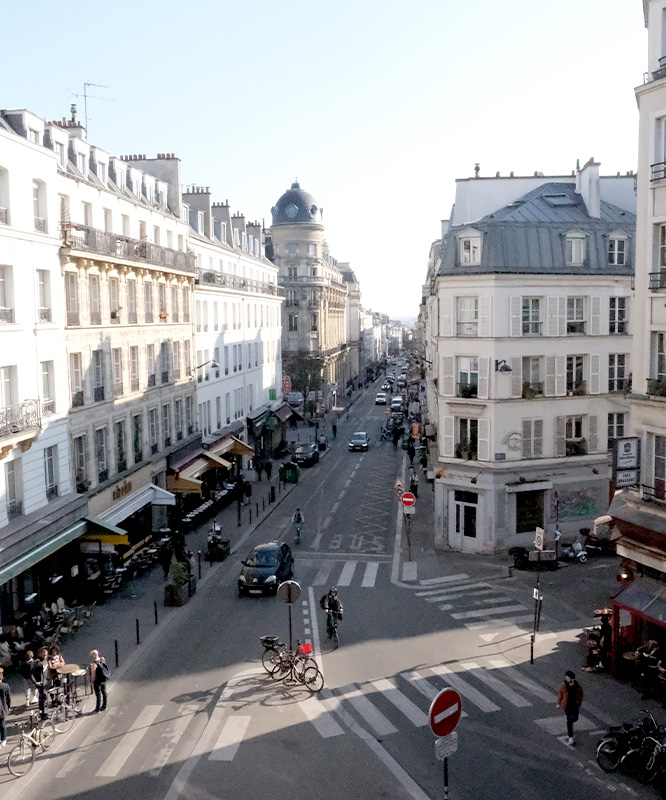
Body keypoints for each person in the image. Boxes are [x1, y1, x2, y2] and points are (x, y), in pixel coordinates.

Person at [557, 670, 583, 746]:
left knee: (575, 718)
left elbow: (581, 695)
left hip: (574, 705)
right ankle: (570, 738)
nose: (566, 679)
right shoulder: (564, 685)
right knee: (569, 721)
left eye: (567, 678)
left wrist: (579, 702)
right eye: (566, 678)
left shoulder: (577, 686)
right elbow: (561, 694)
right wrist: (559, 703)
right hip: (567, 705)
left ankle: (570, 726)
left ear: (572, 679)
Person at [32, 647, 48, 719]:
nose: (46, 657)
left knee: (41, 697)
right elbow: (40, 674)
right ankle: (42, 713)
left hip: (40, 682)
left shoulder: (39, 662)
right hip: (40, 683)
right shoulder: (38, 664)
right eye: (44, 655)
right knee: (43, 697)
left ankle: (42, 711)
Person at [0, 666, 10, 747]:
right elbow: (8, 698)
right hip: (2, 709)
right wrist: (8, 707)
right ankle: (3, 739)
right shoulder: (5, 686)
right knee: (2, 725)